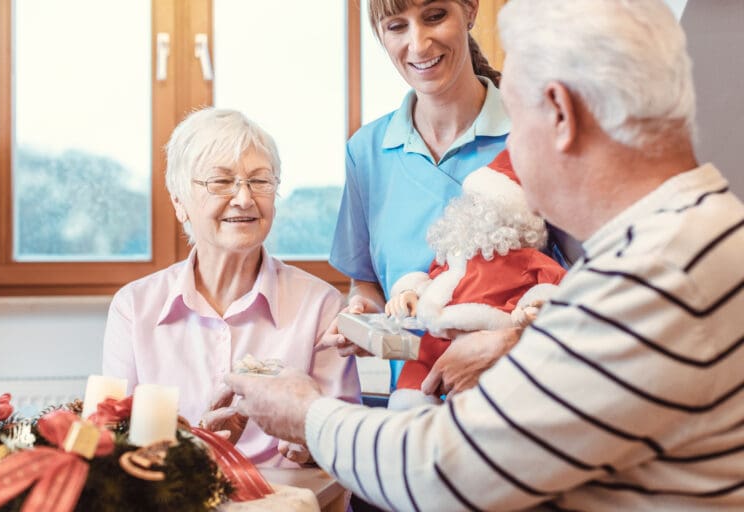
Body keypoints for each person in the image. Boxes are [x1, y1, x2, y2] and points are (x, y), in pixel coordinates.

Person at [218, 0, 744, 509]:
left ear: (559, 112)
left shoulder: (655, 273)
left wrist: (306, 414)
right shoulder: (689, 235)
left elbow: (444, 472)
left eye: (515, 110)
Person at [102, 108, 360, 468]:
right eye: (221, 182)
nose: (244, 198)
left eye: (260, 181)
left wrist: (311, 448)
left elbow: (350, 449)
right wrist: (193, 451)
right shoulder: (133, 307)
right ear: (179, 202)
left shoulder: (320, 305)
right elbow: (111, 446)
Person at [325, 0, 520, 386]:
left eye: (434, 17)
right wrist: (365, 311)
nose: (418, 44)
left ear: (470, 10)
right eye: (397, 26)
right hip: (413, 410)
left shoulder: (532, 132)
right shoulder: (366, 153)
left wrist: (511, 340)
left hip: (515, 402)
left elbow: (581, 283)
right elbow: (367, 282)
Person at [383, 150, 566, 408]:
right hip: (435, 338)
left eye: (484, 205)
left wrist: (536, 307)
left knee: (476, 408)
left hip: (488, 346)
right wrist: (408, 294)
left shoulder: (527, 260)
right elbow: (432, 280)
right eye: (473, 202)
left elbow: (554, 287)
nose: (474, 211)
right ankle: (412, 405)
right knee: (412, 390)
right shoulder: (455, 252)